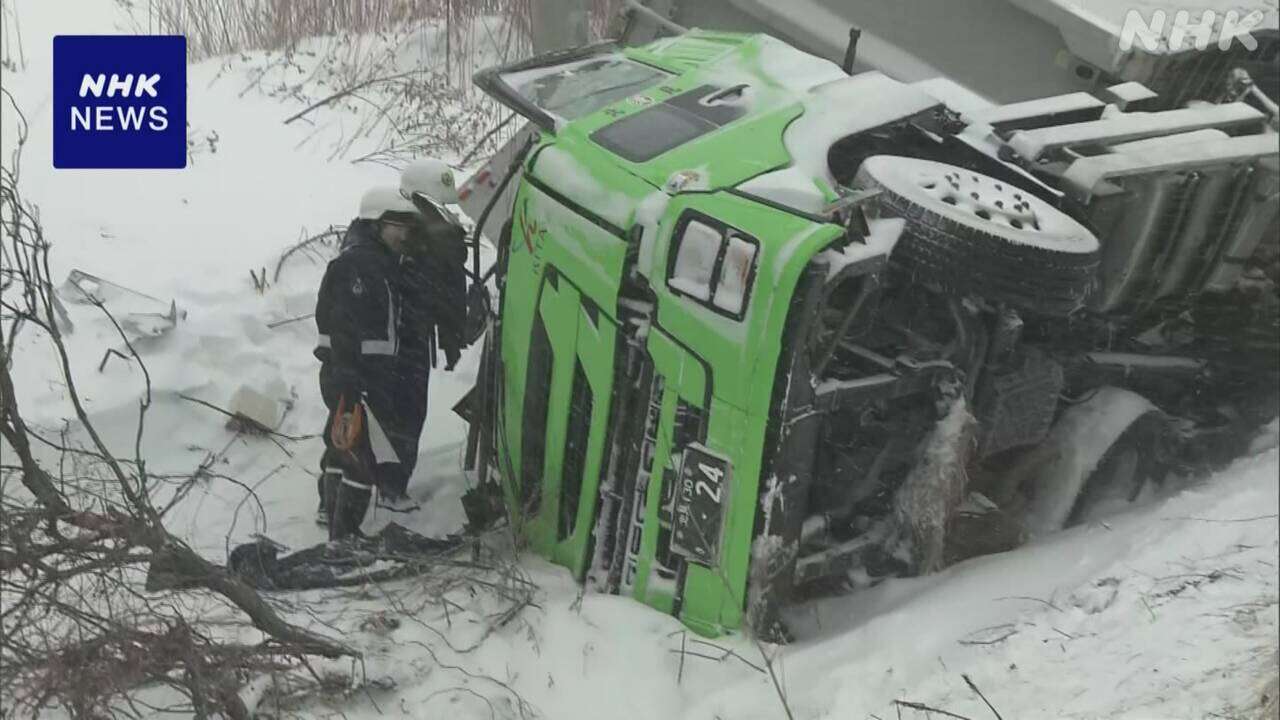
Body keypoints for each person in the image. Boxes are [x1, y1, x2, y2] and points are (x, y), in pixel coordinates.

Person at [314, 186, 426, 539]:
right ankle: (345, 532)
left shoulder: (375, 261)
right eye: (398, 227)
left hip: (362, 374)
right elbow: (342, 325)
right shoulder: (360, 266)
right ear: (377, 224)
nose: (404, 235)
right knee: (360, 454)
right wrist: (351, 378)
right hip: (358, 375)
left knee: (343, 444)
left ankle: (330, 515)